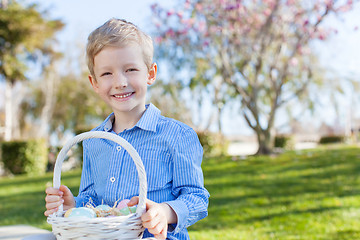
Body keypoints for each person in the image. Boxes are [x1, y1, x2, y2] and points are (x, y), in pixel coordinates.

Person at [43, 18, 209, 240]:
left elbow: (196, 198)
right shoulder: (94, 141)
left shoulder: (177, 135)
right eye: (107, 74)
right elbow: (93, 201)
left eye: (130, 69)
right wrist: (75, 204)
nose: (120, 82)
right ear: (94, 83)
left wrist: (165, 212)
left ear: (150, 73)